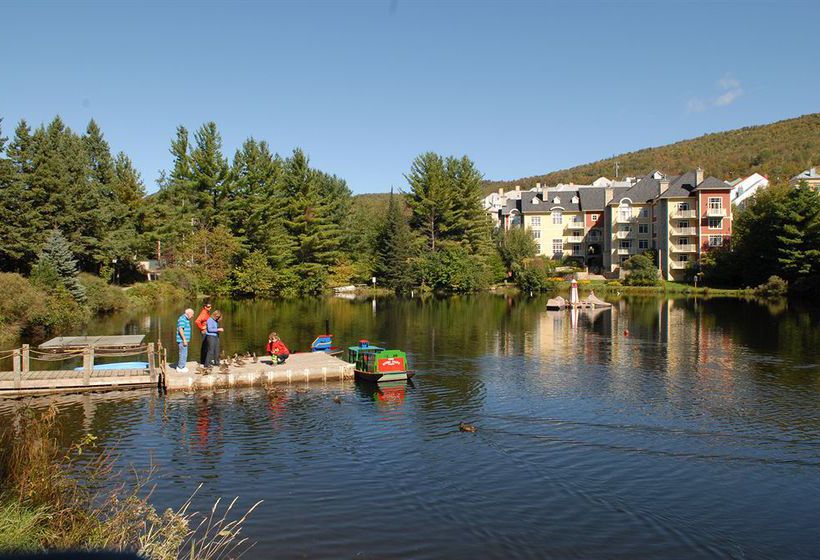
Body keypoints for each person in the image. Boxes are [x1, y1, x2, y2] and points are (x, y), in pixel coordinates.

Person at [175, 308, 194, 372]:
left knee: (184, 353)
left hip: (184, 340)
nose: (193, 316)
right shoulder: (182, 319)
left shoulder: (185, 319)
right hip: (182, 340)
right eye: (192, 314)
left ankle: (182, 366)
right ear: (188, 313)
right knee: (183, 353)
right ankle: (180, 367)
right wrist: (184, 339)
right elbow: (180, 329)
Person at [195, 301, 212, 365]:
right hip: (205, 332)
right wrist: (202, 328)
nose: (210, 308)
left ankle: (203, 361)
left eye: (210, 306)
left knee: (205, 345)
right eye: (208, 307)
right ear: (205, 307)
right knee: (205, 346)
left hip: (206, 331)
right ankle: (204, 361)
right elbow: (197, 321)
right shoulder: (204, 313)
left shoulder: (206, 312)